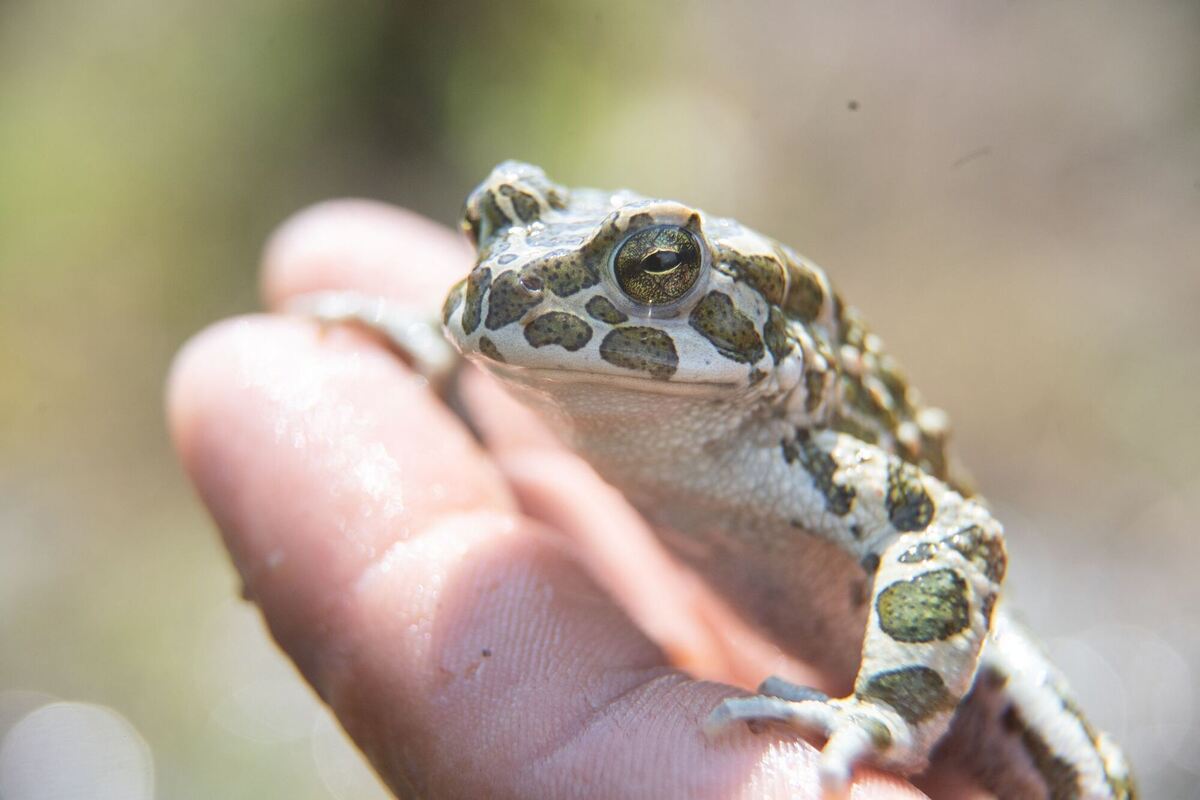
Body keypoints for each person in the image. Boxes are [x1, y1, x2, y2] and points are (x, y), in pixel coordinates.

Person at [168, 200, 985, 798]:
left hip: (962, 666)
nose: (505, 277)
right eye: (487, 233)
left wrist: (889, 706)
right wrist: (442, 346)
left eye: (655, 268)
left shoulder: (806, 448)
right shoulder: (577, 365)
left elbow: (955, 534)